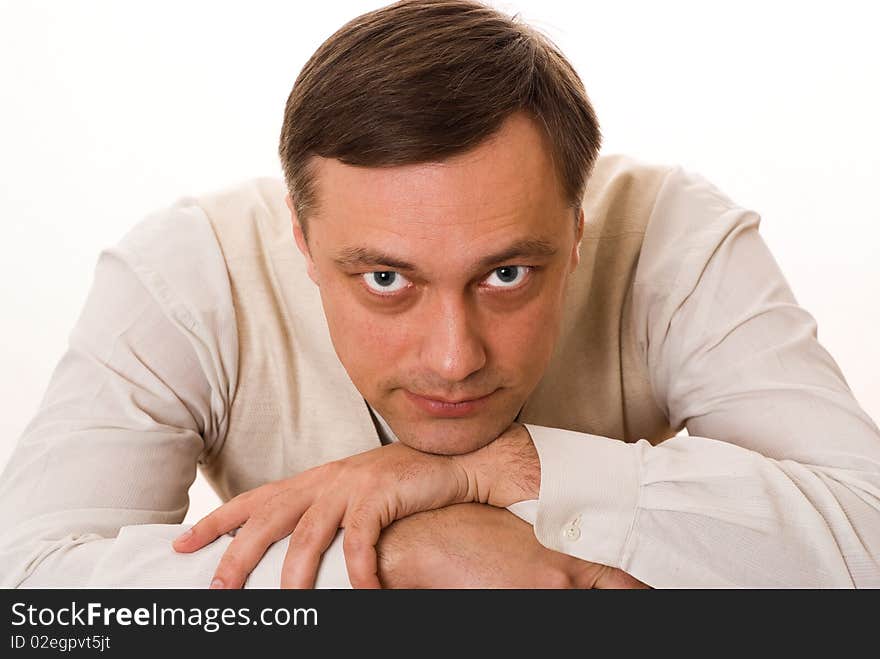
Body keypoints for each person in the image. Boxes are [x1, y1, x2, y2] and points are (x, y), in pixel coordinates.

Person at [2, 0, 879, 589]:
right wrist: (405, 552)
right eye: (386, 279)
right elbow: (37, 600)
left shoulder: (671, 233)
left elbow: (867, 537)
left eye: (507, 274)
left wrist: (498, 470)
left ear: (576, 232)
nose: (454, 358)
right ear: (302, 241)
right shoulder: (185, 271)